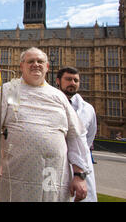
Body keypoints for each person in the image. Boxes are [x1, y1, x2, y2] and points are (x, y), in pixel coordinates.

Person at [0, 47, 90, 201]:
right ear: (21, 66)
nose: (36, 64)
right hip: (16, 174)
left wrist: (79, 174)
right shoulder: (12, 90)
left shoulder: (58, 97)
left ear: (47, 67)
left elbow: (76, 135)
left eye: (40, 61)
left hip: (52, 173)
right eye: (30, 61)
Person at [56, 66, 97, 202]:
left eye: (76, 80)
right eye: (68, 79)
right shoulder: (49, 104)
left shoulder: (88, 109)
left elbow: (88, 137)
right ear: (58, 81)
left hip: (81, 170)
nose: (72, 83)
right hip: (56, 164)